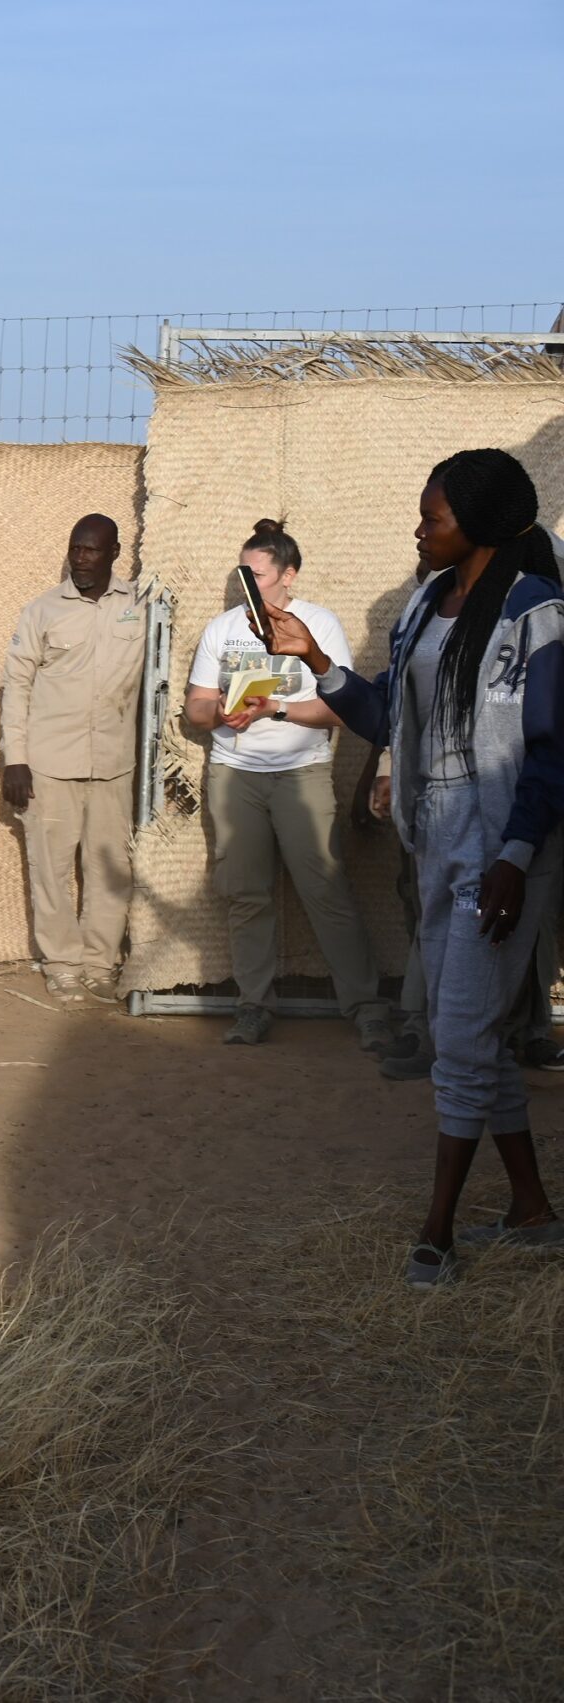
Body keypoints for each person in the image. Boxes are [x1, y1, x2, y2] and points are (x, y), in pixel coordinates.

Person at [276, 448, 564, 1286]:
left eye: (432, 516)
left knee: (461, 1038)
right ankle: (532, 1209)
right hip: (434, 837)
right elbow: (385, 716)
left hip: (502, 846)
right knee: (468, 1032)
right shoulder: (428, 607)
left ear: (477, 523)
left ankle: (436, 1228)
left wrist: (514, 855)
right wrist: (316, 664)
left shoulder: (538, 614)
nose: (419, 527)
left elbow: (551, 751)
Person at [182, 519, 394, 1050]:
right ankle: (254, 1005)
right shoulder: (222, 629)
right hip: (233, 774)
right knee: (246, 894)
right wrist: (222, 713)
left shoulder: (318, 624)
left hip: (301, 774)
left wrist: (273, 707)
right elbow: (196, 706)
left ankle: (366, 1007)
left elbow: (341, 707)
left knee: (326, 890)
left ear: (288, 575)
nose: (246, 584)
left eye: (256, 573)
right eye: (242, 573)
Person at [0, 515, 143, 1002]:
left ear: (114, 553)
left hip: (114, 764)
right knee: (51, 868)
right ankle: (61, 963)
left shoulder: (140, 609)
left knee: (109, 867)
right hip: (48, 764)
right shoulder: (42, 611)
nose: (80, 559)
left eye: (91, 551)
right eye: (75, 549)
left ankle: (100, 964)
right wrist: (14, 759)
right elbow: (16, 686)